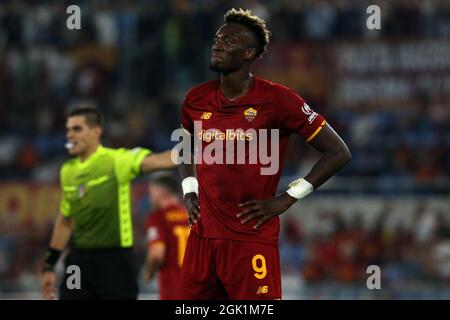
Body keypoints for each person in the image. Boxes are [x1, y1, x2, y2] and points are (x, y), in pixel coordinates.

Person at [178, 8, 351, 299]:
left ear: (248, 54)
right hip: (202, 239)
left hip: (250, 238)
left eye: (229, 41)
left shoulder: (279, 100)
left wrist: (287, 198)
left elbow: (338, 152)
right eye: (218, 38)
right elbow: (184, 143)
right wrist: (189, 189)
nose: (218, 44)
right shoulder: (196, 99)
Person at [41, 106, 176, 300]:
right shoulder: (67, 171)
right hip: (78, 260)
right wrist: (49, 265)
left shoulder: (116, 161)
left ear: (96, 131)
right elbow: (65, 220)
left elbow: (156, 161)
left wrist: (195, 152)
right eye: (68, 129)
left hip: (115, 260)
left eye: (77, 129)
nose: (69, 135)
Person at [144, 173, 190, 300]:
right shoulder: (194, 217)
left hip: (173, 291)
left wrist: (149, 272)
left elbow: (156, 254)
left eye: (151, 193)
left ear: (160, 193)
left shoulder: (158, 218)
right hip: (198, 291)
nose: (150, 198)